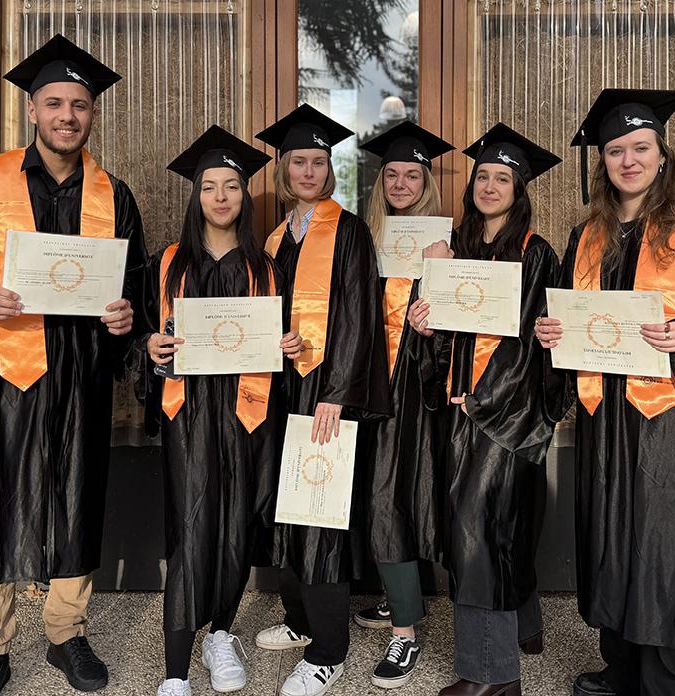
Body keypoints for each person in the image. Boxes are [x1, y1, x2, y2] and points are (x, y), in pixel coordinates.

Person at [0, 34, 147, 696]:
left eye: (78, 104)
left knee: (75, 498)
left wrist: (128, 318)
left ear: (92, 114)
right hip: (3, 373)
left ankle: (66, 633)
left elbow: (136, 290)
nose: (67, 115)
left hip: (80, 374)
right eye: (55, 103)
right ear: (33, 112)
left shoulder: (115, 195)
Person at [534, 89, 675, 696]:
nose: (628, 160)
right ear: (602, 161)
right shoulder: (586, 236)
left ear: (663, 156)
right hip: (604, 415)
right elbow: (571, 324)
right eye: (615, 150)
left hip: (665, 413)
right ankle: (625, 666)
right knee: (611, 536)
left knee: (667, 542)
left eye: (640, 148)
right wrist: (550, 333)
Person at [128, 125, 302, 696]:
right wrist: (150, 349)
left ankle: (220, 633)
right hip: (191, 418)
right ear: (195, 195)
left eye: (232, 186)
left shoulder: (267, 267)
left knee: (235, 527)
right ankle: (176, 665)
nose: (221, 196)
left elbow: (284, 341)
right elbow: (141, 343)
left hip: (250, 417)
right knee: (191, 529)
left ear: (244, 196)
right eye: (210, 186)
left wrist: (288, 347)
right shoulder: (167, 264)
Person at [407, 123, 564, 696]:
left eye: (503, 178)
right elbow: (449, 340)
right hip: (462, 413)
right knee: (496, 530)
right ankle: (524, 627)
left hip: (507, 419)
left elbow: (534, 344)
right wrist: (423, 327)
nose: (490, 186)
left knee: (480, 538)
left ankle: (491, 676)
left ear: (519, 190)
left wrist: (485, 399)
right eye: (483, 177)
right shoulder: (458, 250)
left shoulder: (538, 255)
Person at [252, 103, 393, 696]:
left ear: (329, 170)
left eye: (318, 162)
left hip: (325, 391)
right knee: (283, 509)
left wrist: (336, 393)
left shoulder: (351, 230)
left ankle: (329, 652)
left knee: (320, 515)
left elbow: (361, 316)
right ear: (284, 170)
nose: (308, 171)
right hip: (280, 388)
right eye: (297, 162)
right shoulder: (276, 234)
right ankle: (300, 621)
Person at [352, 121, 454, 689]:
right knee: (377, 497)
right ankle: (398, 600)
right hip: (368, 385)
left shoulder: (445, 241)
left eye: (412, 174)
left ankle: (405, 637)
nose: (399, 182)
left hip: (414, 392)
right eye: (391, 173)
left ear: (426, 181)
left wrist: (432, 317)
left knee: (390, 499)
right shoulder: (366, 236)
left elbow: (463, 324)